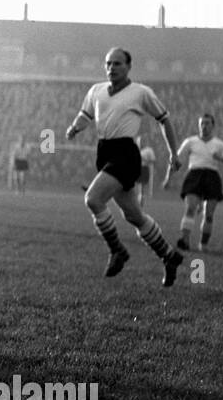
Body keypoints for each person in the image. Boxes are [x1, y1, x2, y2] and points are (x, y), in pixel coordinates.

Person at [65, 47, 185, 286]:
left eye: (117, 64)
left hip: (126, 154)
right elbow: (86, 115)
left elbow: (164, 119)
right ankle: (169, 256)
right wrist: (75, 127)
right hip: (105, 152)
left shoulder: (140, 92)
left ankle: (117, 250)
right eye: (108, 63)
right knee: (134, 215)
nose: (112, 68)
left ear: (129, 67)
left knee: (93, 199)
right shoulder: (96, 91)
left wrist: (173, 152)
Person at [168, 114, 223, 251]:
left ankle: (203, 245)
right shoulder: (191, 142)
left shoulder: (218, 144)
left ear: (213, 126)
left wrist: (221, 158)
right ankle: (185, 240)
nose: (204, 126)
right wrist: (167, 177)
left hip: (211, 177)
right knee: (190, 208)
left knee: (209, 214)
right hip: (195, 175)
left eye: (207, 123)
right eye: (202, 124)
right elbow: (177, 160)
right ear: (199, 126)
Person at [136, 135, 156, 204]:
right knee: (137, 187)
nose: (140, 143)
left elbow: (152, 160)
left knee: (142, 187)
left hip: (144, 169)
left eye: (142, 141)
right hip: (137, 169)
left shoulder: (148, 150)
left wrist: (144, 159)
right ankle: (138, 200)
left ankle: (141, 200)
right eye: (139, 141)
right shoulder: (136, 150)